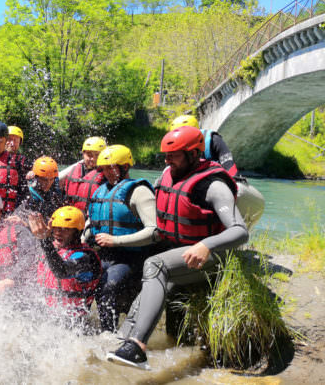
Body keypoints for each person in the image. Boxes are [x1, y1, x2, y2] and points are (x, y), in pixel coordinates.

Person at [106, 126, 248, 369]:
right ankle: (121, 345)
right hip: (180, 255)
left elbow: (240, 231)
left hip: (211, 258)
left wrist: (206, 245)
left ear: (194, 154)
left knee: (155, 265)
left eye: (173, 155)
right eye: (166, 155)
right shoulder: (168, 174)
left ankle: (138, 347)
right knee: (143, 296)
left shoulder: (213, 185)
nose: (167, 160)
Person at [87, 145, 156, 333]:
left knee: (108, 287)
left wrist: (115, 241)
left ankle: (108, 335)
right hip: (104, 254)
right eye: (104, 168)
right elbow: (90, 224)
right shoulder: (99, 192)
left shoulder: (139, 191)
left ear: (125, 166)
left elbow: (153, 231)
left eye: (112, 167)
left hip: (130, 257)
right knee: (78, 279)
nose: (108, 172)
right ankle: (80, 329)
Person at [170, 115, 265, 230]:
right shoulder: (173, 151)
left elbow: (229, 164)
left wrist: (232, 186)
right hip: (196, 188)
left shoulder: (213, 140)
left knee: (238, 190)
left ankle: (234, 230)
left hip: (218, 186)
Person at [28, 206, 101, 330]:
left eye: (64, 229)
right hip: (46, 319)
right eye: (55, 228)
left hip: (74, 325)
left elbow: (61, 271)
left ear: (77, 232)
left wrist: (44, 241)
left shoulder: (87, 257)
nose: (57, 233)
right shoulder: (53, 250)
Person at [60, 136, 107, 212]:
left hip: (91, 217)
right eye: (89, 154)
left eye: (97, 155)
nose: (92, 158)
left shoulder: (107, 175)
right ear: (83, 154)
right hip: (71, 215)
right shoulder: (73, 171)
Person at [11, 156, 64, 223]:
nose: (48, 183)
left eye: (51, 179)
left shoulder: (55, 193)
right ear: (36, 178)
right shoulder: (26, 192)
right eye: (44, 180)